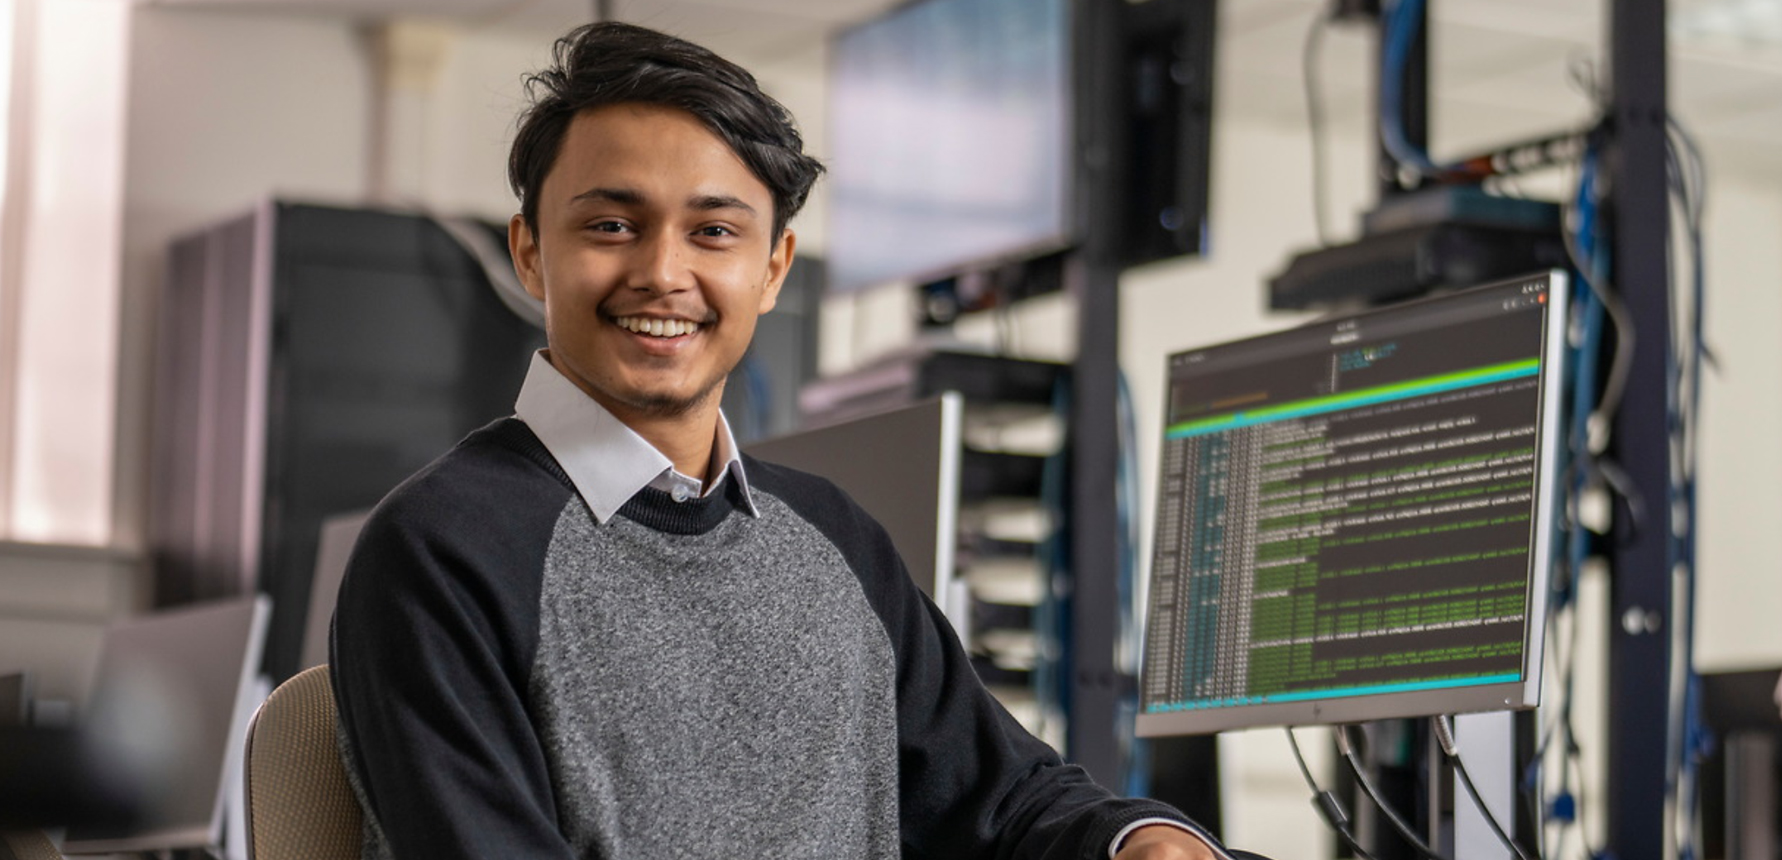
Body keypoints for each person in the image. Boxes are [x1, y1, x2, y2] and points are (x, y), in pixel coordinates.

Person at [332, 21, 1231, 860]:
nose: (661, 273)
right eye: (612, 225)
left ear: (771, 269)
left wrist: (1137, 838)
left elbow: (1001, 796)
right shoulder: (443, 550)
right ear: (531, 253)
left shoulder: (833, 535)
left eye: (713, 232)